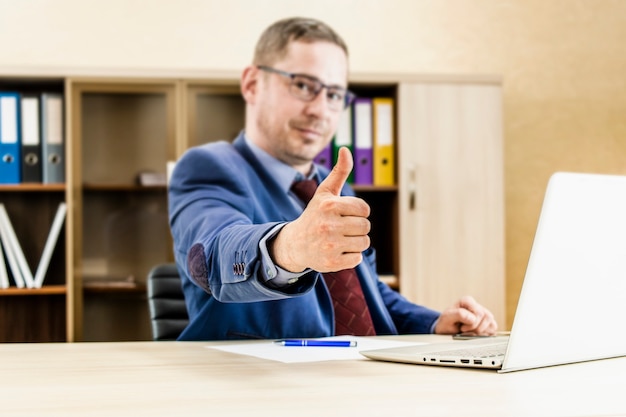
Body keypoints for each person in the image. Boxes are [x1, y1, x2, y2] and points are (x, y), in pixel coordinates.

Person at [168, 16, 498, 340]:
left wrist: (435, 322)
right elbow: (210, 257)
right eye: (302, 85)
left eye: (334, 94)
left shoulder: (333, 186)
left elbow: (368, 294)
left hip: (371, 372)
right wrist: (291, 246)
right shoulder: (208, 166)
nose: (321, 110)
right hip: (268, 382)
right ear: (252, 84)